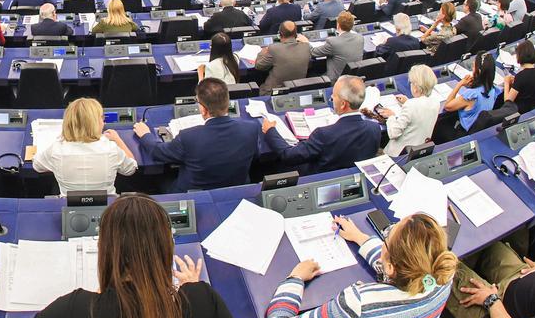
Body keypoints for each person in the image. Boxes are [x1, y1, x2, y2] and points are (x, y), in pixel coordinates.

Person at [20, 193, 234, 318]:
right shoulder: (201, 298)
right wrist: (192, 288)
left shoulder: (75, 309)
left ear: (106, 249)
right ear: (165, 247)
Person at [266, 213, 456, 318]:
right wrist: (359, 237)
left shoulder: (359, 306)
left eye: (388, 236)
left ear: (391, 267)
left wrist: (295, 278)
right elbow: (397, 266)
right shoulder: (442, 271)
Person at [134, 78, 278, 191]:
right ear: (227, 103)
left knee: (157, 178)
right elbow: (255, 156)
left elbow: (157, 152)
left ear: (202, 109)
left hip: (193, 194)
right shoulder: (251, 129)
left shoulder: (188, 137)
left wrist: (145, 134)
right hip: (235, 186)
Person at [264, 75, 382, 173]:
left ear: (343, 104)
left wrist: (270, 131)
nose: (331, 97)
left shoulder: (324, 134)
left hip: (317, 177)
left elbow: (288, 156)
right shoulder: (374, 128)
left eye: (334, 96)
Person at [32, 98, 138, 196]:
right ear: (95, 123)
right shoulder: (112, 149)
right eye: (102, 118)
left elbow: (37, 166)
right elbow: (130, 168)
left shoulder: (55, 150)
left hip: (68, 205)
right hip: (106, 205)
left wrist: (57, 165)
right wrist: (118, 140)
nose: (103, 121)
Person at [379, 64, 440, 156]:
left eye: (411, 83)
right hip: (417, 152)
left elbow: (393, 133)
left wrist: (391, 116)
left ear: (416, 87)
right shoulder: (436, 103)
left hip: (397, 155)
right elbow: (420, 110)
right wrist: (407, 101)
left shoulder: (411, 105)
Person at [441, 53, 499, 137]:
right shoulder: (493, 89)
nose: (472, 69)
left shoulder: (472, 95)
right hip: (479, 131)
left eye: (473, 66)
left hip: (464, 134)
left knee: (440, 127)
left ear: (478, 71)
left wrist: (459, 84)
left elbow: (447, 106)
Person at [255, 21, 312, 93]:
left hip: (272, 92)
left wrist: (262, 52)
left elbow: (259, 66)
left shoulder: (273, 48)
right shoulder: (307, 46)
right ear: (296, 34)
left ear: (280, 34)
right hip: (296, 89)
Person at [311, 11, 364, 82]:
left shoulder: (333, 42)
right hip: (353, 79)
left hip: (336, 81)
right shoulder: (360, 38)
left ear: (338, 25)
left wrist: (306, 42)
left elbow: (313, 52)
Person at [504, 41, 535, 114]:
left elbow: (507, 102)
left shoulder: (521, 76)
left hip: (516, 110)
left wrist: (506, 83)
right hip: (528, 108)